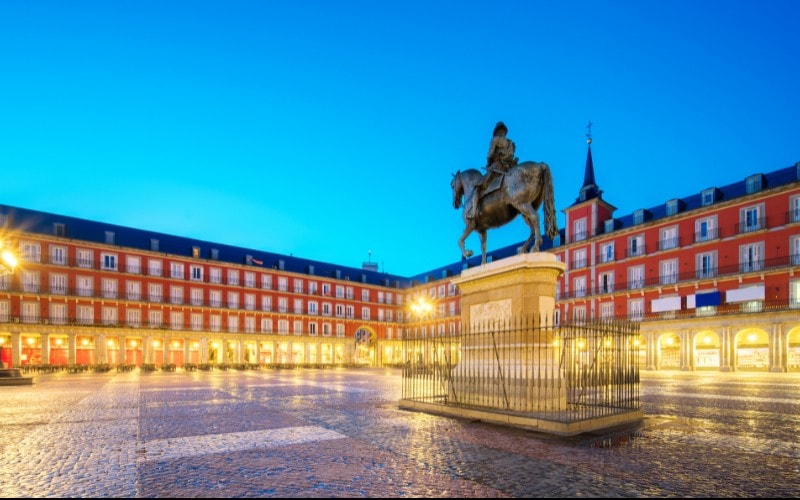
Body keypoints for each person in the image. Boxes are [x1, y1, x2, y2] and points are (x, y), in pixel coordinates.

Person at [467, 121, 518, 221]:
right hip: (509, 169)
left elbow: (490, 154)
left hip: (497, 167)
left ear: (497, 131)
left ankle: (473, 213)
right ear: (504, 131)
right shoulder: (511, 143)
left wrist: (489, 163)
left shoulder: (495, 140)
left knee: (478, 187)